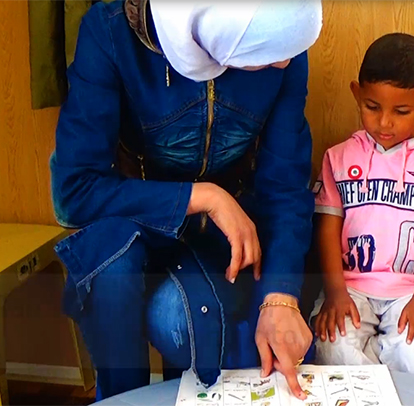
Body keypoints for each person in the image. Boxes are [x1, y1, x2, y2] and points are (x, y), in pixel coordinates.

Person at [50, 0, 322, 400]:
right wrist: (204, 197)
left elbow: (284, 184)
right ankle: (119, 397)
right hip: (128, 223)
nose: (284, 63)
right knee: (112, 273)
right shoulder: (109, 31)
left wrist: (280, 296)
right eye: (266, 53)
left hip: (219, 237)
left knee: (188, 326)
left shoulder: (282, 45)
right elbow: (75, 192)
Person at [310, 33, 414, 378]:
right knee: (335, 343)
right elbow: (326, 232)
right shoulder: (337, 158)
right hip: (351, 288)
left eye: (401, 111)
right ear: (357, 93)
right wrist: (336, 293)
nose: (384, 123)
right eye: (372, 107)